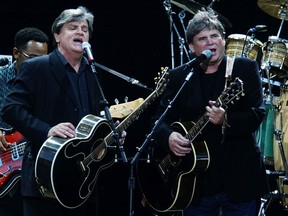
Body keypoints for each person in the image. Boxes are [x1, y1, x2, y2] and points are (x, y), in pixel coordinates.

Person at [1, 6, 126, 216]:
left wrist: (111, 134)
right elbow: (11, 109)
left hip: (81, 183)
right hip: (44, 180)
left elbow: (93, 119)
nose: (80, 32)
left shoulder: (92, 71)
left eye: (84, 29)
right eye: (73, 27)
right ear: (57, 35)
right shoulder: (36, 67)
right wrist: (47, 130)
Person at [151, 10, 270, 216]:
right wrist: (169, 136)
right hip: (194, 183)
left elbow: (257, 115)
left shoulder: (245, 69)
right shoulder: (180, 76)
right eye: (202, 38)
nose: (210, 42)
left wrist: (226, 119)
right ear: (191, 47)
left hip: (238, 180)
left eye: (215, 36)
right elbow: (158, 122)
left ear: (223, 40)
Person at [0, 27, 49, 216]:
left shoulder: (48, 84)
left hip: (32, 173)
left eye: (43, 60)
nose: (39, 65)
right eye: (33, 58)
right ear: (15, 53)